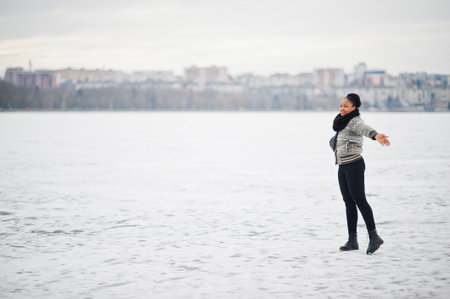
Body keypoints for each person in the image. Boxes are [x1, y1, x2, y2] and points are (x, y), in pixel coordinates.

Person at [330, 93, 390, 255]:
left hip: (354, 165)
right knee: (349, 202)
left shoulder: (355, 121)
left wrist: (376, 135)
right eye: (341, 105)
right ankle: (352, 240)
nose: (342, 108)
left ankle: (374, 237)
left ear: (354, 108)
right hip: (342, 166)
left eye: (346, 106)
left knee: (360, 200)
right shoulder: (341, 122)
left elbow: (365, 129)